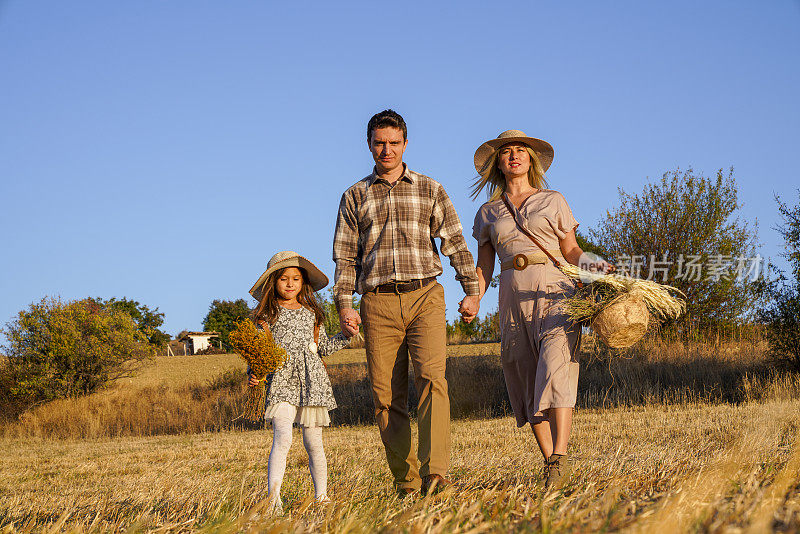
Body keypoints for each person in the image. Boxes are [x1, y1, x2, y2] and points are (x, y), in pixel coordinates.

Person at [332, 109, 480, 496]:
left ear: (405, 144)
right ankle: (406, 480)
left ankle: (437, 474)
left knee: (433, 380)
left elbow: (455, 241)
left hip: (425, 295)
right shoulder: (354, 196)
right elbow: (345, 256)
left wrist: (472, 290)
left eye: (394, 142)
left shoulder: (430, 188)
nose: (386, 149)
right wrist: (344, 305)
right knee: (385, 397)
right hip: (377, 303)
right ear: (369, 145)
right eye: (379, 142)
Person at [466, 130, 612, 489]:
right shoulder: (488, 212)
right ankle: (551, 465)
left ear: (531, 159)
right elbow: (483, 266)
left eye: (520, 151)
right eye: (507, 152)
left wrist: (595, 265)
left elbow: (571, 250)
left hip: (555, 289)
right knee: (526, 377)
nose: (514, 156)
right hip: (511, 295)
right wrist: (474, 297)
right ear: (498, 163)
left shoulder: (553, 200)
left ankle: (560, 453)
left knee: (557, 366)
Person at [248, 251, 352, 513]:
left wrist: (347, 334)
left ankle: (322, 497)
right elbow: (258, 352)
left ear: (303, 283)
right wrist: (254, 372)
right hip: (281, 380)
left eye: (296, 279)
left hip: (313, 382)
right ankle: (273, 499)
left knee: (313, 442)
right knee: (282, 437)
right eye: (284, 279)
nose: (290, 283)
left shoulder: (313, 313)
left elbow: (324, 348)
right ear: (274, 282)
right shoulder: (265, 316)